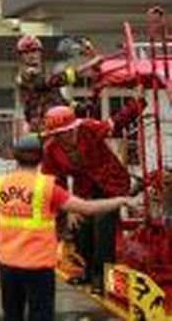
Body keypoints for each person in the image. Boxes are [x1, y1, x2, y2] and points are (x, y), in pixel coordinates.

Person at [0, 134, 141, 321]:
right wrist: (121, 200)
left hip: (8, 265)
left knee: (12, 314)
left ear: (15, 156)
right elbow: (87, 208)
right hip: (39, 267)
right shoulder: (47, 187)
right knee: (41, 314)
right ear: (41, 157)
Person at [40, 99, 144, 293]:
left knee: (103, 229)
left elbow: (117, 123)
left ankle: (102, 279)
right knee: (81, 228)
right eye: (61, 133)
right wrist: (69, 208)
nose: (68, 135)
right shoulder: (50, 150)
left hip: (110, 184)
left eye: (70, 130)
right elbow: (54, 182)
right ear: (54, 135)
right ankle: (86, 272)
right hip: (84, 189)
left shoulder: (88, 128)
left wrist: (138, 102)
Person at [16, 35, 100, 132]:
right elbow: (58, 79)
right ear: (21, 56)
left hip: (56, 121)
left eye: (34, 50)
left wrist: (79, 106)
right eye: (26, 52)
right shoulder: (27, 75)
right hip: (43, 126)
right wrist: (89, 65)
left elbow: (58, 99)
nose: (31, 55)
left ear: (40, 53)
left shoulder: (42, 73)